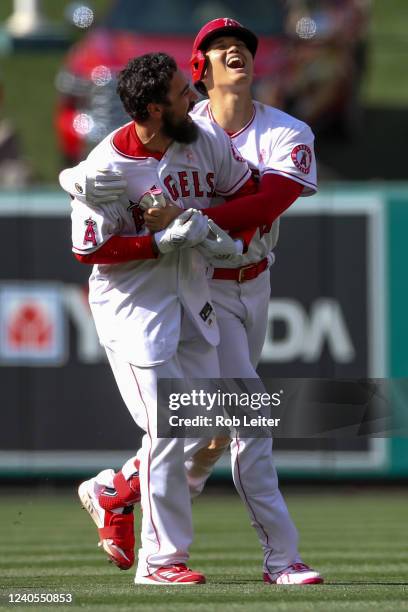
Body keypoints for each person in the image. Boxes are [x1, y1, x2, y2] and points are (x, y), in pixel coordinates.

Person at [70, 20, 323, 586]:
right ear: (197, 70)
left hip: (248, 280)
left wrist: (189, 222)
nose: (235, 51)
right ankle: (278, 559)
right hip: (200, 284)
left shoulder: (275, 132)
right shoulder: (182, 127)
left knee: (205, 433)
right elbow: (96, 218)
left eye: (244, 47)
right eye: (218, 47)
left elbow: (263, 202)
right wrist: (81, 181)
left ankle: (119, 489)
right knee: (242, 422)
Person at [60, 51, 263, 586]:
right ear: (153, 109)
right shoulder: (105, 168)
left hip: (192, 299)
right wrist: (156, 241)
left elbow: (246, 192)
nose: (193, 98)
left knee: (207, 425)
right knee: (170, 430)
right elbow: (88, 249)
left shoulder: (204, 140)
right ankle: (160, 561)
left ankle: (113, 491)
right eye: (179, 94)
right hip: (134, 313)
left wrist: (203, 226)